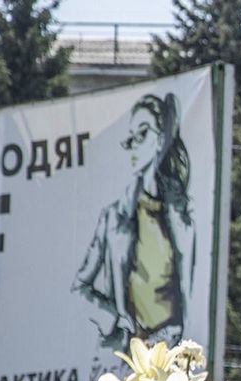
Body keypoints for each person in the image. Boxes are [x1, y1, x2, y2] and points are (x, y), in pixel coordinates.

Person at [74, 93, 195, 351]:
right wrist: (113, 318)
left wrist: (175, 335)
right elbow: (79, 289)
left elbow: (188, 299)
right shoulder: (113, 219)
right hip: (127, 362)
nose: (133, 146)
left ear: (161, 139)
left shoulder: (181, 217)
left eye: (142, 135)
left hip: (173, 362)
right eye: (130, 139)